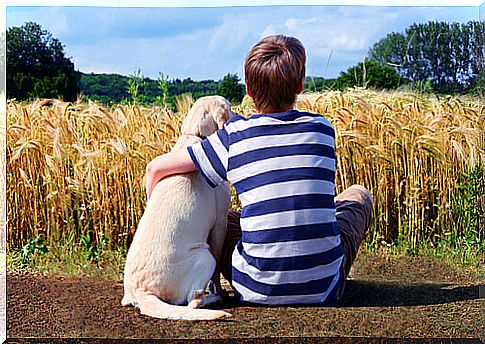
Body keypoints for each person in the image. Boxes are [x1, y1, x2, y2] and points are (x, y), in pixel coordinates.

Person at [145, 35, 373, 306]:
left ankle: (206, 283)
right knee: (358, 195)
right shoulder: (322, 128)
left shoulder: (234, 137)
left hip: (255, 288)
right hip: (324, 287)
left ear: (248, 91)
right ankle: (317, 266)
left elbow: (156, 168)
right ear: (300, 85)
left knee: (227, 217)